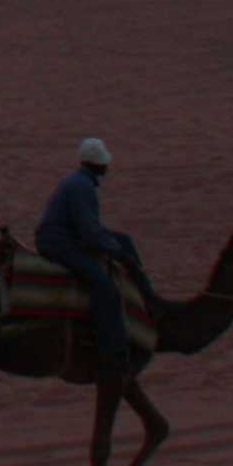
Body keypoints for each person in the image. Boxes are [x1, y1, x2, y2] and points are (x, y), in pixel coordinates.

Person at [36, 135, 151, 384]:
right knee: (104, 285)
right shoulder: (81, 187)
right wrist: (115, 252)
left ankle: (146, 297)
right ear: (97, 165)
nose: (107, 166)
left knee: (125, 240)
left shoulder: (79, 182)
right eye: (104, 162)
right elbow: (89, 231)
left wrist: (118, 247)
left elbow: (91, 230)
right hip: (60, 243)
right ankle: (111, 349)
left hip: (67, 237)